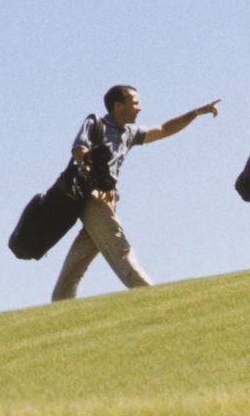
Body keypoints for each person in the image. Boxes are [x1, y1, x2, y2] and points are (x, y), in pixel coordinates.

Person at [52, 85, 220, 301]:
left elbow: (164, 129)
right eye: (135, 103)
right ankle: (154, 299)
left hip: (107, 201)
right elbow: (78, 150)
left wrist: (196, 112)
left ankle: (59, 305)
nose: (140, 108)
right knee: (121, 250)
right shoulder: (96, 123)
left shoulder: (129, 133)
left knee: (76, 262)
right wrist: (93, 166)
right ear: (118, 106)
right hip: (93, 197)